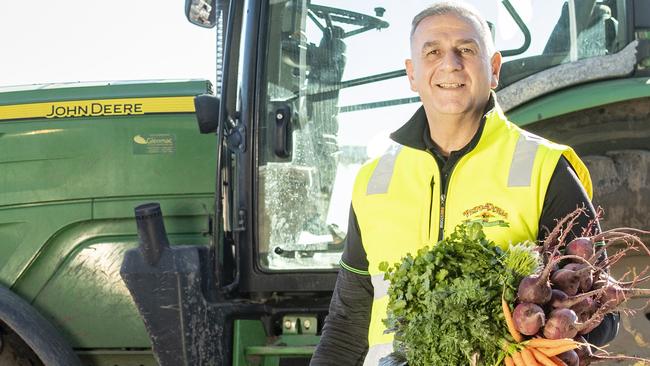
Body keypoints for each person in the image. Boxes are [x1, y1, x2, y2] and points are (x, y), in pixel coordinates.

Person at [310, 2, 619, 365]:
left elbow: (601, 312)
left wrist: (542, 337)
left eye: (467, 50)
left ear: (494, 69)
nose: (450, 64)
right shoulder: (373, 181)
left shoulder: (544, 168)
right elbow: (347, 325)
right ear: (412, 74)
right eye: (433, 52)